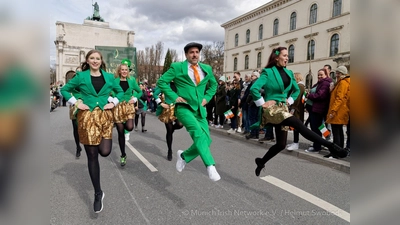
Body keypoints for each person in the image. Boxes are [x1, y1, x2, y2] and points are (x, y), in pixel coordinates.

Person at [250, 47, 348, 177]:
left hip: (283, 108)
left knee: (281, 144)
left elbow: (296, 90)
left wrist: (289, 101)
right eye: (284, 55)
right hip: (272, 110)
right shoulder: (267, 72)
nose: (287, 58)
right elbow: (254, 88)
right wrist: (263, 104)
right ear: (276, 57)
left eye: (287, 56)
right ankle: (331, 145)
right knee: (298, 124)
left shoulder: (289, 73)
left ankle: (261, 162)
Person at [61, 49, 123, 213]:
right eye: (92, 58)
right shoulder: (81, 76)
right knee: (92, 156)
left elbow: (120, 91)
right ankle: (98, 193)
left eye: (97, 58)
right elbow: (65, 90)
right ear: (87, 60)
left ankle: (98, 191)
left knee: (105, 151)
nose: (95, 61)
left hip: (104, 117)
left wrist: (114, 102)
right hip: (87, 118)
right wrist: (76, 102)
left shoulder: (109, 77)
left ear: (101, 61)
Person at [157, 42, 220, 181]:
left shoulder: (206, 68)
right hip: (184, 108)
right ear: (186, 54)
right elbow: (161, 82)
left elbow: (213, 85)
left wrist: (206, 98)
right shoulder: (177, 67)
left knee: (206, 140)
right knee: (197, 134)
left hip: (200, 110)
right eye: (191, 52)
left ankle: (184, 156)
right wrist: (174, 97)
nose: (194, 54)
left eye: (197, 52)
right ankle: (210, 166)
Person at [112, 60, 141, 166]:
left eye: (126, 70)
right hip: (118, 107)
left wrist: (134, 98)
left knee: (129, 127)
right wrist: (111, 98)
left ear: (128, 71)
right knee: (120, 132)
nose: (124, 71)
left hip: (128, 107)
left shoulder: (132, 80)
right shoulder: (114, 81)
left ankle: (126, 130)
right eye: (122, 70)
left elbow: (140, 91)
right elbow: (108, 91)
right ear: (119, 71)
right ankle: (123, 155)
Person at [304, 68, 332, 153]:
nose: (319, 76)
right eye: (318, 75)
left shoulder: (325, 83)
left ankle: (317, 146)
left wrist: (309, 96)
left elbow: (320, 95)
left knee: (316, 128)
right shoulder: (319, 83)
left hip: (317, 109)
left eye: (321, 75)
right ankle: (325, 140)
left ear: (326, 75)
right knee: (320, 127)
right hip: (314, 109)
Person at [325, 66, 350, 158]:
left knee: (337, 133)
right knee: (338, 132)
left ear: (342, 73)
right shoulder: (341, 82)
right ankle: (339, 151)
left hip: (338, 111)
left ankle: (336, 152)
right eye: (336, 73)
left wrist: (333, 110)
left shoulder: (343, 83)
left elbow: (339, 98)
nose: (336, 75)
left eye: (338, 73)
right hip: (340, 110)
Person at [154, 84, 184, 161]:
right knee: (169, 131)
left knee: (180, 124)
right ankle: (169, 150)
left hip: (178, 108)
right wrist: (161, 103)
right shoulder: (166, 84)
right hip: (167, 109)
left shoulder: (181, 83)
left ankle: (173, 129)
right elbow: (155, 94)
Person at [286, 72, 306, 151]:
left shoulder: (300, 86)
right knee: (294, 125)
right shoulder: (300, 86)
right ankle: (295, 142)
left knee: (296, 126)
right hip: (297, 108)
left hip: (296, 109)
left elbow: (297, 99)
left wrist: (292, 108)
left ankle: (296, 143)